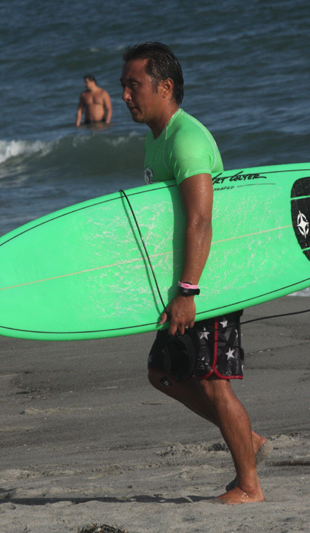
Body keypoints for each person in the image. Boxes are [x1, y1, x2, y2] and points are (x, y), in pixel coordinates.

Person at [120, 42, 267, 504]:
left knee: (213, 384)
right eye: (123, 85)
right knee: (163, 373)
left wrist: (188, 291)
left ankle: (249, 486)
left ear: (165, 87)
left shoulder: (186, 139)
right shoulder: (157, 136)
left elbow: (201, 219)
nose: (124, 95)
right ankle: (249, 440)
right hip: (183, 282)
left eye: (133, 85)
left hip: (207, 284)